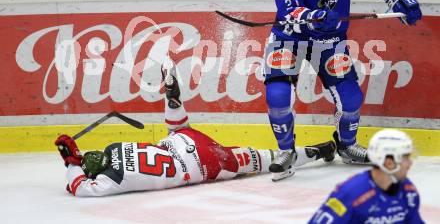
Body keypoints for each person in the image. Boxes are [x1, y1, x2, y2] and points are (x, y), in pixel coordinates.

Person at [264, 0, 422, 181]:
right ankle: (286, 151)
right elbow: (291, 11)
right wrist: (313, 15)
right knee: (278, 96)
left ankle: (347, 146)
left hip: (329, 40)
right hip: (288, 39)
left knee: (350, 99)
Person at [55, 57, 337, 197]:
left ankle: (319, 150)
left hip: (205, 164)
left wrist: (71, 162)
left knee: (266, 159)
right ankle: (174, 101)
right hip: (186, 141)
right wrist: (75, 156)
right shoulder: (114, 149)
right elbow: (86, 170)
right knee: (175, 132)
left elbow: (80, 188)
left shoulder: (111, 179)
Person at [309, 129, 424, 223]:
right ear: (388, 163)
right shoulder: (350, 193)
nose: (410, 163)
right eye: (405, 158)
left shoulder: (407, 190)